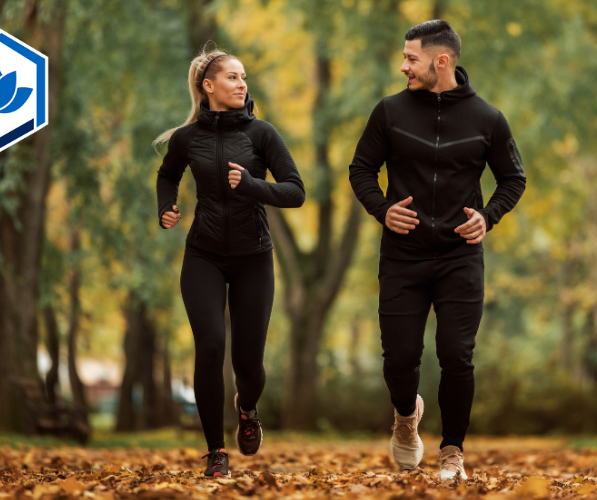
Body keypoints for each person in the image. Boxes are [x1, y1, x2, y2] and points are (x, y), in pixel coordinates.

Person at [348, 20, 526, 480]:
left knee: (456, 353)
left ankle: (452, 453)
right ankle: (406, 418)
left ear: (440, 61)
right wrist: (382, 210)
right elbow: (361, 170)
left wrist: (488, 216)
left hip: (459, 257)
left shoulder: (487, 119)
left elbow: (513, 179)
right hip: (402, 256)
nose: (403, 65)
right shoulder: (388, 112)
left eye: (411, 58)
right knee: (401, 359)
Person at [155, 47, 305, 478]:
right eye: (232, 77)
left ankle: (247, 406)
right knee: (211, 346)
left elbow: (295, 191)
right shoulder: (187, 138)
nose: (242, 84)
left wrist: (254, 186)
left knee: (248, 363)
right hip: (203, 253)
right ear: (208, 86)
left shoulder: (262, 134)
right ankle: (215, 452)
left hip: (253, 257)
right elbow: (168, 174)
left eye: (244, 77)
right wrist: (166, 207)